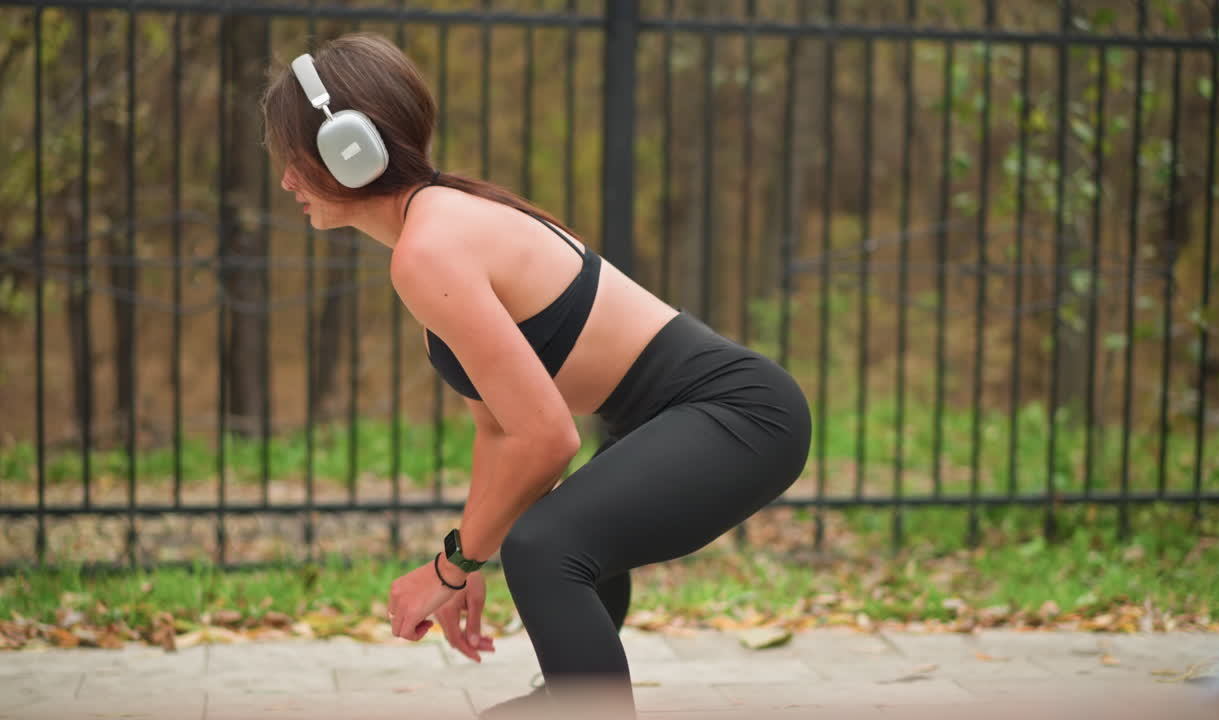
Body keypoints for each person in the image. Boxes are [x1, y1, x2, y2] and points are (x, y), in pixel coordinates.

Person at [260, 32, 811, 719]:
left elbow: (547, 438)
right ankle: (573, 701)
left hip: (740, 416)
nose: (285, 180)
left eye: (291, 157)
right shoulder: (436, 231)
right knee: (554, 536)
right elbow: (498, 431)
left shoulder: (431, 248)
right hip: (703, 415)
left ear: (348, 151)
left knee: (547, 544)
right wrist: (467, 558)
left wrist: (449, 567)